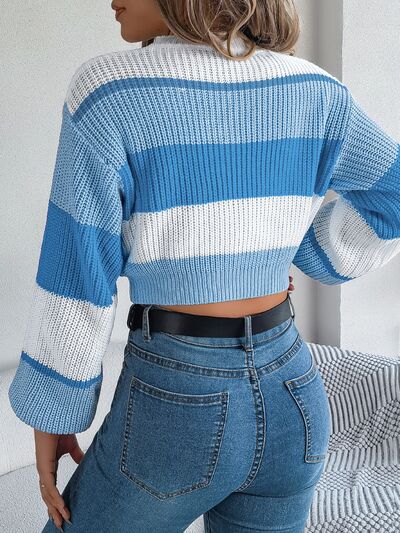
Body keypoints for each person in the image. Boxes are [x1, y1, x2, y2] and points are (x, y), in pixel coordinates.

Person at [8, 1, 400, 531]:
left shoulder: (108, 92)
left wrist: (56, 412)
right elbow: (393, 196)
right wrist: (289, 252)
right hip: (295, 391)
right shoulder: (317, 90)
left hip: (177, 400)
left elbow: (77, 276)